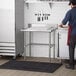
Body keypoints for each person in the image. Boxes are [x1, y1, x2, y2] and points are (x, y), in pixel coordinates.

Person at [59, 0, 76, 69]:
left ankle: (71, 65)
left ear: (72, 4)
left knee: (71, 48)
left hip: (73, 34)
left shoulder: (70, 12)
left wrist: (61, 25)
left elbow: (64, 22)